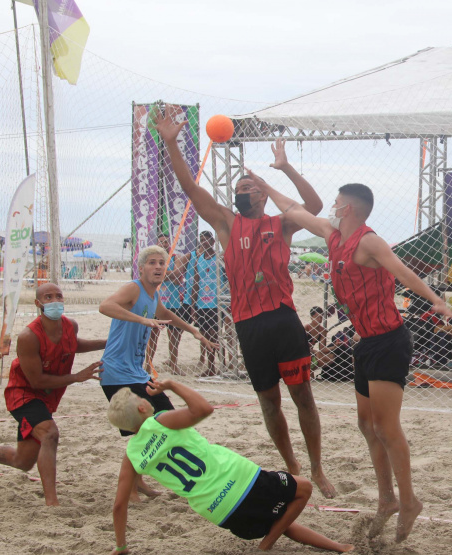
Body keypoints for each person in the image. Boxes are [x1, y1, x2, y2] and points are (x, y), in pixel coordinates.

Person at [257, 178, 452, 542]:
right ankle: (387, 500)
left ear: (348, 208)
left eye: (336, 202)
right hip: (365, 343)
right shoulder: (332, 235)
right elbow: (294, 208)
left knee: (386, 428)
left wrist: (438, 301)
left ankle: (409, 500)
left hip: (389, 341)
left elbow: (404, 272)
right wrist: (272, 178)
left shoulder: (369, 241)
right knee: (366, 426)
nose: (332, 207)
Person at [155, 105, 336, 498]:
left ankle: (318, 468)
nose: (242, 191)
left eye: (248, 188)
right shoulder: (226, 222)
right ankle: (293, 467)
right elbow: (190, 188)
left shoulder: (281, 222)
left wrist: (280, 173)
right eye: (238, 189)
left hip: (284, 319)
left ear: (262, 196)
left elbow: (315, 206)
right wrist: (172, 145)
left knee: (302, 395)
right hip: (249, 324)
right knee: (269, 402)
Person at [107, 380, 354, 555]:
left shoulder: (131, 455)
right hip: (240, 480)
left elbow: (119, 505)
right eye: (141, 398)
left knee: (278, 520)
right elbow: (204, 409)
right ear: (142, 408)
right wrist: (172, 385)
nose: (144, 398)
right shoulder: (159, 421)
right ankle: (265, 546)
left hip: (220, 513)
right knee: (304, 488)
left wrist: (120, 546)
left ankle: (336, 547)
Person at [99, 245, 216, 498]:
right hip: (117, 372)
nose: (158, 267)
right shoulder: (134, 288)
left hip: (137, 373)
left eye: (162, 263)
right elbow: (105, 306)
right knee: (143, 428)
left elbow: (165, 314)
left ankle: (140, 482)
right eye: (152, 263)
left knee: (164, 420)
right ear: (141, 268)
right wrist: (142, 320)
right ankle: (132, 486)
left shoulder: (154, 295)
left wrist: (194, 331)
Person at [0, 283, 106, 506]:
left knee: (22, 461)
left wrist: (108, 343)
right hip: (23, 394)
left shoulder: (70, 326)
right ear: (38, 304)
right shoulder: (28, 336)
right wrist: (77, 377)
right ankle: (52, 502)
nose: (55, 300)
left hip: (46, 396)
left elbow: (73, 345)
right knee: (50, 433)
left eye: (59, 296)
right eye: (48, 297)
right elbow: (36, 381)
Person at [145, 234, 191, 375]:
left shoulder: (175, 257)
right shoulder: (152, 260)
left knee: (174, 336)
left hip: (173, 302)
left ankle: (173, 365)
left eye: (166, 242)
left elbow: (178, 277)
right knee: (152, 335)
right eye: (161, 242)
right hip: (156, 301)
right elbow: (148, 277)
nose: (164, 245)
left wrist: (159, 274)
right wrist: (166, 274)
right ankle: (147, 365)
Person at [184, 231, 222, 377]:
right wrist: (193, 306)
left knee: (216, 336)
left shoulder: (219, 258)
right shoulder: (198, 259)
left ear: (213, 242)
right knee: (205, 336)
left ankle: (222, 366)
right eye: (202, 240)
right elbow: (196, 283)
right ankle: (211, 367)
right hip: (202, 304)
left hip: (216, 304)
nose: (204, 243)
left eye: (207, 240)